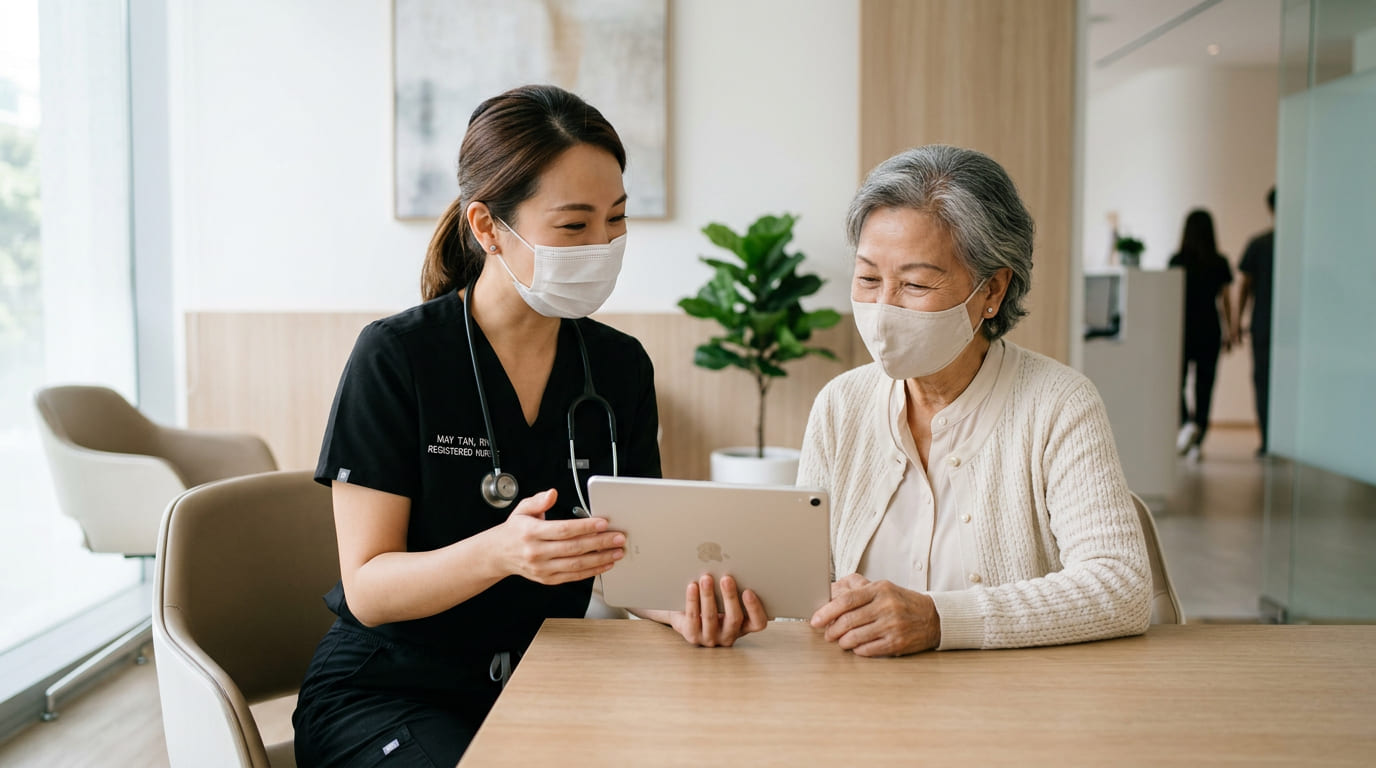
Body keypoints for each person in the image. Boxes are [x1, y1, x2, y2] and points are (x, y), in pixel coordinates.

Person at [292, 85, 765, 767]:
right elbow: (369, 591)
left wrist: (687, 608)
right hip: (390, 688)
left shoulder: (618, 367)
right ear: (487, 228)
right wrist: (501, 553)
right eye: (574, 226)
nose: (602, 245)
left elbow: (634, 558)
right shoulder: (398, 357)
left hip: (549, 681)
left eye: (617, 218)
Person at [800, 145, 1151, 657]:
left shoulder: (1058, 405)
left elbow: (1121, 587)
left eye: (915, 283)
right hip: (862, 705)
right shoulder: (840, 405)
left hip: (1009, 711)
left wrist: (940, 619)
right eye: (869, 278)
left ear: (992, 291)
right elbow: (805, 584)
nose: (882, 308)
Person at [1169, 209, 1234, 461]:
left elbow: (1170, 300)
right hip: (1210, 328)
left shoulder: (1177, 260)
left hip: (1183, 329)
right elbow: (1225, 300)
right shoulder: (1219, 261)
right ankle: (1198, 439)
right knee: (1205, 387)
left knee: (1178, 383)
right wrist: (1230, 331)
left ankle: (1187, 425)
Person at [1236, 187, 1276, 456]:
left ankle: (1267, 441)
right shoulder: (1302, 245)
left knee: (1263, 383)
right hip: (1291, 330)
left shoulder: (1260, 244)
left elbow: (1244, 287)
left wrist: (1238, 322)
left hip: (1262, 324)